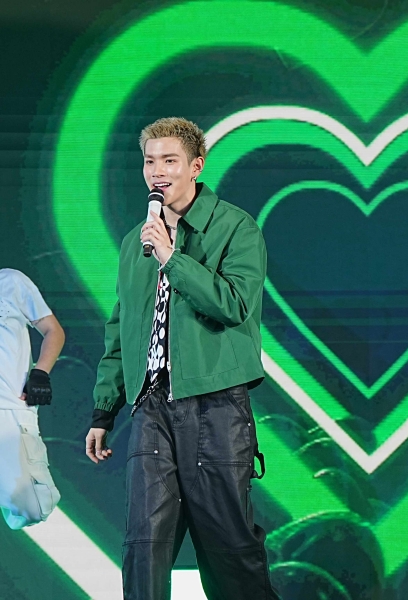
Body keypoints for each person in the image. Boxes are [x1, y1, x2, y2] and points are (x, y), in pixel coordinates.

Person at [84, 117, 279, 599]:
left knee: (229, 546)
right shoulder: (136, 241)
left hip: (215, 403)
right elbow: (122, 328)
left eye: (170, 161)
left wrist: (172, 258)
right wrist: (104, 410)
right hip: (151, 407)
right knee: (144, 543)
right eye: (150, 161)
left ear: (196, 166)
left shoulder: (234, 227)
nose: (157, 171)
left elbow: (233, 304)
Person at [0, 268, 65, 529]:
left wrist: (40, 373)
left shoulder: (11, 281)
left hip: (10, 408)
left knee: (34, 506)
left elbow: (53, 331)